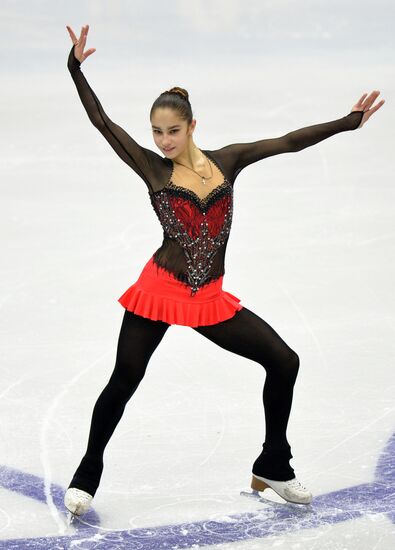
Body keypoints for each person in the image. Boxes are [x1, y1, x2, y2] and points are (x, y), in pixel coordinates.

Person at [63, 24, 384, 518]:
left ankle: (274, 462)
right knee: (125, 375)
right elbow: (103, 122)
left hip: (208, 299)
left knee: (284, 361)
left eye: (172, 130)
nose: (163, 140)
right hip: (160, 290)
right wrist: (75, 68)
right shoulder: (154, 170)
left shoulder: (227, 162)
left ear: (192, 126)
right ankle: (87, 473)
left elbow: (289, 140)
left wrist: (347, 122)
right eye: (156, 131)